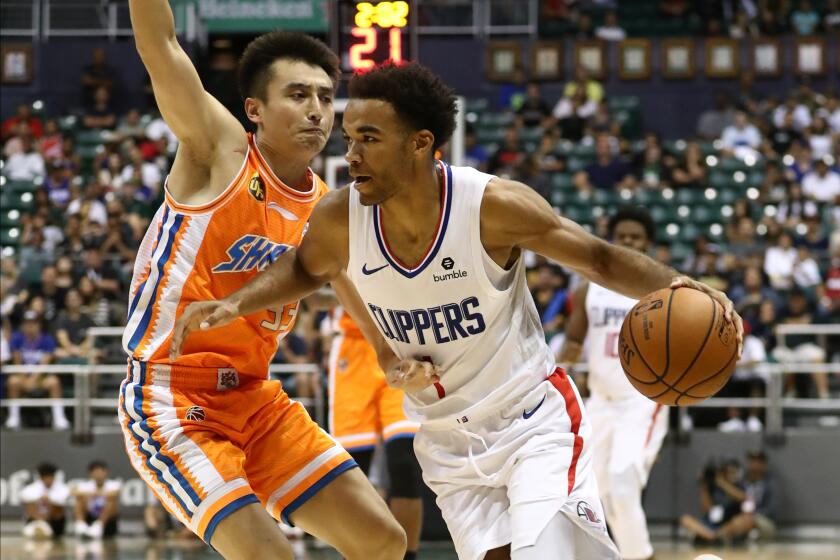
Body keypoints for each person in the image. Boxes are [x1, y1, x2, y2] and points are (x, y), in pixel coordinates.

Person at [172, 62, 743, 560]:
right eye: (348, 137)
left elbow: (596, 257)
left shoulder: (490, 206)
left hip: (530, 423)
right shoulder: (340, 219)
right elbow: (303, 271)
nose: (349, 153)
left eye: (369, 138)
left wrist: (691, 288)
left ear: (420, 143)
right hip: (446, 443)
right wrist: (236, 303)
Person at [120, 2, 406, 559]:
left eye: (326, 97)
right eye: (298, 95)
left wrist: (386, 352)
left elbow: (339, 277)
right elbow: (161, 48)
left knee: (382, 540)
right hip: (173, 398)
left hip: (255, 398)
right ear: (254, 108)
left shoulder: (323, 205)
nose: (317, 111)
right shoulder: (219, 151)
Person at [557, 207, 668, 560]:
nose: (629, 242)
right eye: (623, 237)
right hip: (601, 400)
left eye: (636, 237)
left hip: (642, 399)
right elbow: (573, 343)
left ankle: (641, 556)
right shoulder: (590, 288)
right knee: (591, 490)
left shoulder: (659, 290)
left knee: (622, 482)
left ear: (647, 244)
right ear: (613, 241)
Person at [328, 310, 425, 560]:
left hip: (401, 343)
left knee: (405, 464)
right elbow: (315, 291)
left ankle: (408, 557)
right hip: (353, 348)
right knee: (350, 476)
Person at [6, 310, 69, 430]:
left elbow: (45, 363)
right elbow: (17, 360)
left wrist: (33, 379)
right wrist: (25, 379)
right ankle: (13, 418)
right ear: (22, 325)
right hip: (22, 376)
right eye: (27, 323)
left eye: (33, 323)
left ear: (38, 325)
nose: (30, 326)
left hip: (41, 377)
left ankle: (59, 418)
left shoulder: (47, 339)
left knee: (54, 382)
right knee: (12, 382)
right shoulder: (17, 338)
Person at [73, 460, 122, 539]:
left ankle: (98, 526)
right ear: (90, 474)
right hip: (90, 517)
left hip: (108, 522)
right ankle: (81, 525)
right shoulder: (86, 485)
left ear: (106, 472)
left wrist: (98, 493)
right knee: (79, 499)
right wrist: (89, 494)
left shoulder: (113, 484)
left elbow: (115, 493)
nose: (98, 475)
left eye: (101, 472)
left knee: (111, 500)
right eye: (95, 472)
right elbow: (74, 492)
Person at [20, 462, 70, 539]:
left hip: (54, 522)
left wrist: (49, 500)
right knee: (30, 504)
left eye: (50, 477)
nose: (48, 480)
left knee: (57, 506)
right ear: (41, 477)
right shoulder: (32, 488)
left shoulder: (61, 488)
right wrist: (40, 498)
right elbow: (26, 498)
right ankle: (40, 527)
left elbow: (62, 501)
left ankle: (46, 529)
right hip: (36, 519)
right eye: (45, 477)